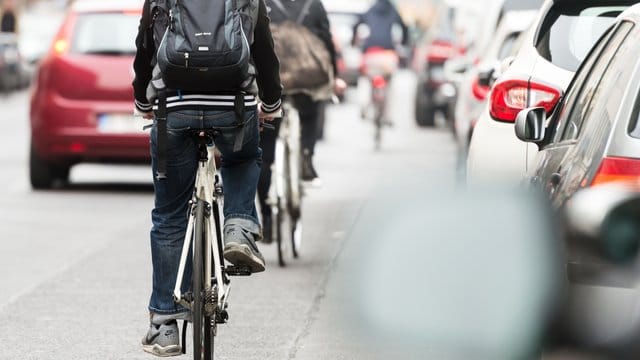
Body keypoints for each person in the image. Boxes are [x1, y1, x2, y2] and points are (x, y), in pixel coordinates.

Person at [132, 0, 282, 356]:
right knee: (243, 158)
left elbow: (144, 51)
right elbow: (265, 51)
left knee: (169, 216)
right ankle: (239, 226)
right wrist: (272, 104)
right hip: (234, 107)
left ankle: (164, 324)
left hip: (174, 110)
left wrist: (142, 100)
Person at [258, 0, 345, 242]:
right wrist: (334, 77)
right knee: (311, 109)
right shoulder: (313, 5)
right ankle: (306, 153)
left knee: (265, 154)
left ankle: (266, 217)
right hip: (306, 77)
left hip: (272, 80)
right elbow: (326, 42)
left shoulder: (262, 4)